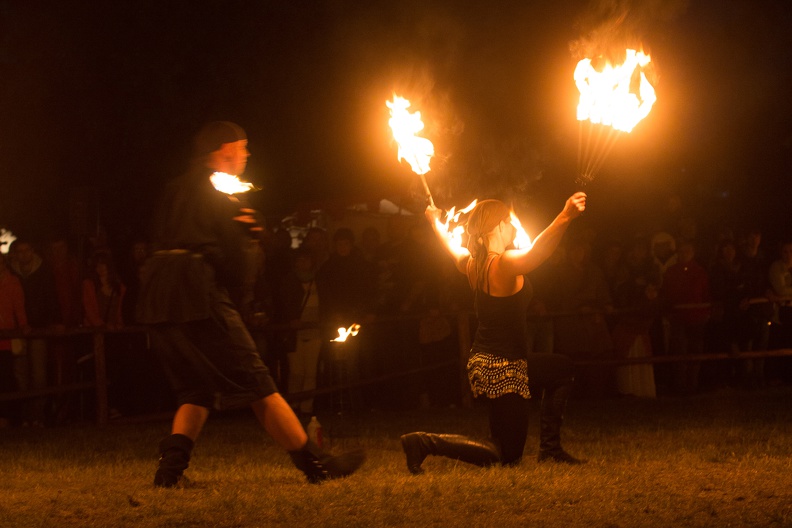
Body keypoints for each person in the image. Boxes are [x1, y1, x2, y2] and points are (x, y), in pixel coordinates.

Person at [136, 121, 364, 487]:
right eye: (242, 148)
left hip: (157, 301)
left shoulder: (175, 187)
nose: (246, 155)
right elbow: (235, 263)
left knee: (195, 390)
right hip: (197, 294)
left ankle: (169, 473)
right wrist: (252, 235)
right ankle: (316, 464)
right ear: (223, 151)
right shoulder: (221, 186)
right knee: (257, 381)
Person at [400, 193, 587, 474]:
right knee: (506, 455)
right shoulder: (503, 263)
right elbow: (539, 252)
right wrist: (566, 215)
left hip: (491, 362)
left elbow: (450, 246)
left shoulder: (472, 263)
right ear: (497, 226)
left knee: (561, 369)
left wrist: (435, 223)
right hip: (504, 367)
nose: (513, 226)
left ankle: (551, 449)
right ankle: (424, 442)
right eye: (509, 221)